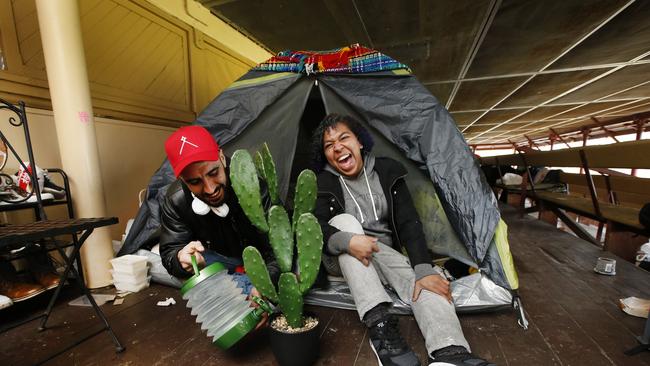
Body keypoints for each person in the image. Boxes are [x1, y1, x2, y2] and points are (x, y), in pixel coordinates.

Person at [312, 114, 494, 366]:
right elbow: (314, 228)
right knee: (345, 222)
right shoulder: (322, 182)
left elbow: (409, 222)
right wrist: (347, 241)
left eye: (344, 138)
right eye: (329, 145)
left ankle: (451, 353)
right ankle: (380, 325)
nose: (338, 147)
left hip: (383, 255)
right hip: (341, 260)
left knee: (428, 281)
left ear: (360, 142)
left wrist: (423, 268)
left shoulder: (387, 171)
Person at [159, 125, 278, 311]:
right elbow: (169, 253)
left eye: (213, 173)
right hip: (217, 259)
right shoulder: (175, 200)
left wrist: (266, 283)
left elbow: (278, 244)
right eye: (194, 182)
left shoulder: (250, 182)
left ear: (222, 157)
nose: (210, 189)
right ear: (182, 179)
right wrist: (179, 258)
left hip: (260, 258)